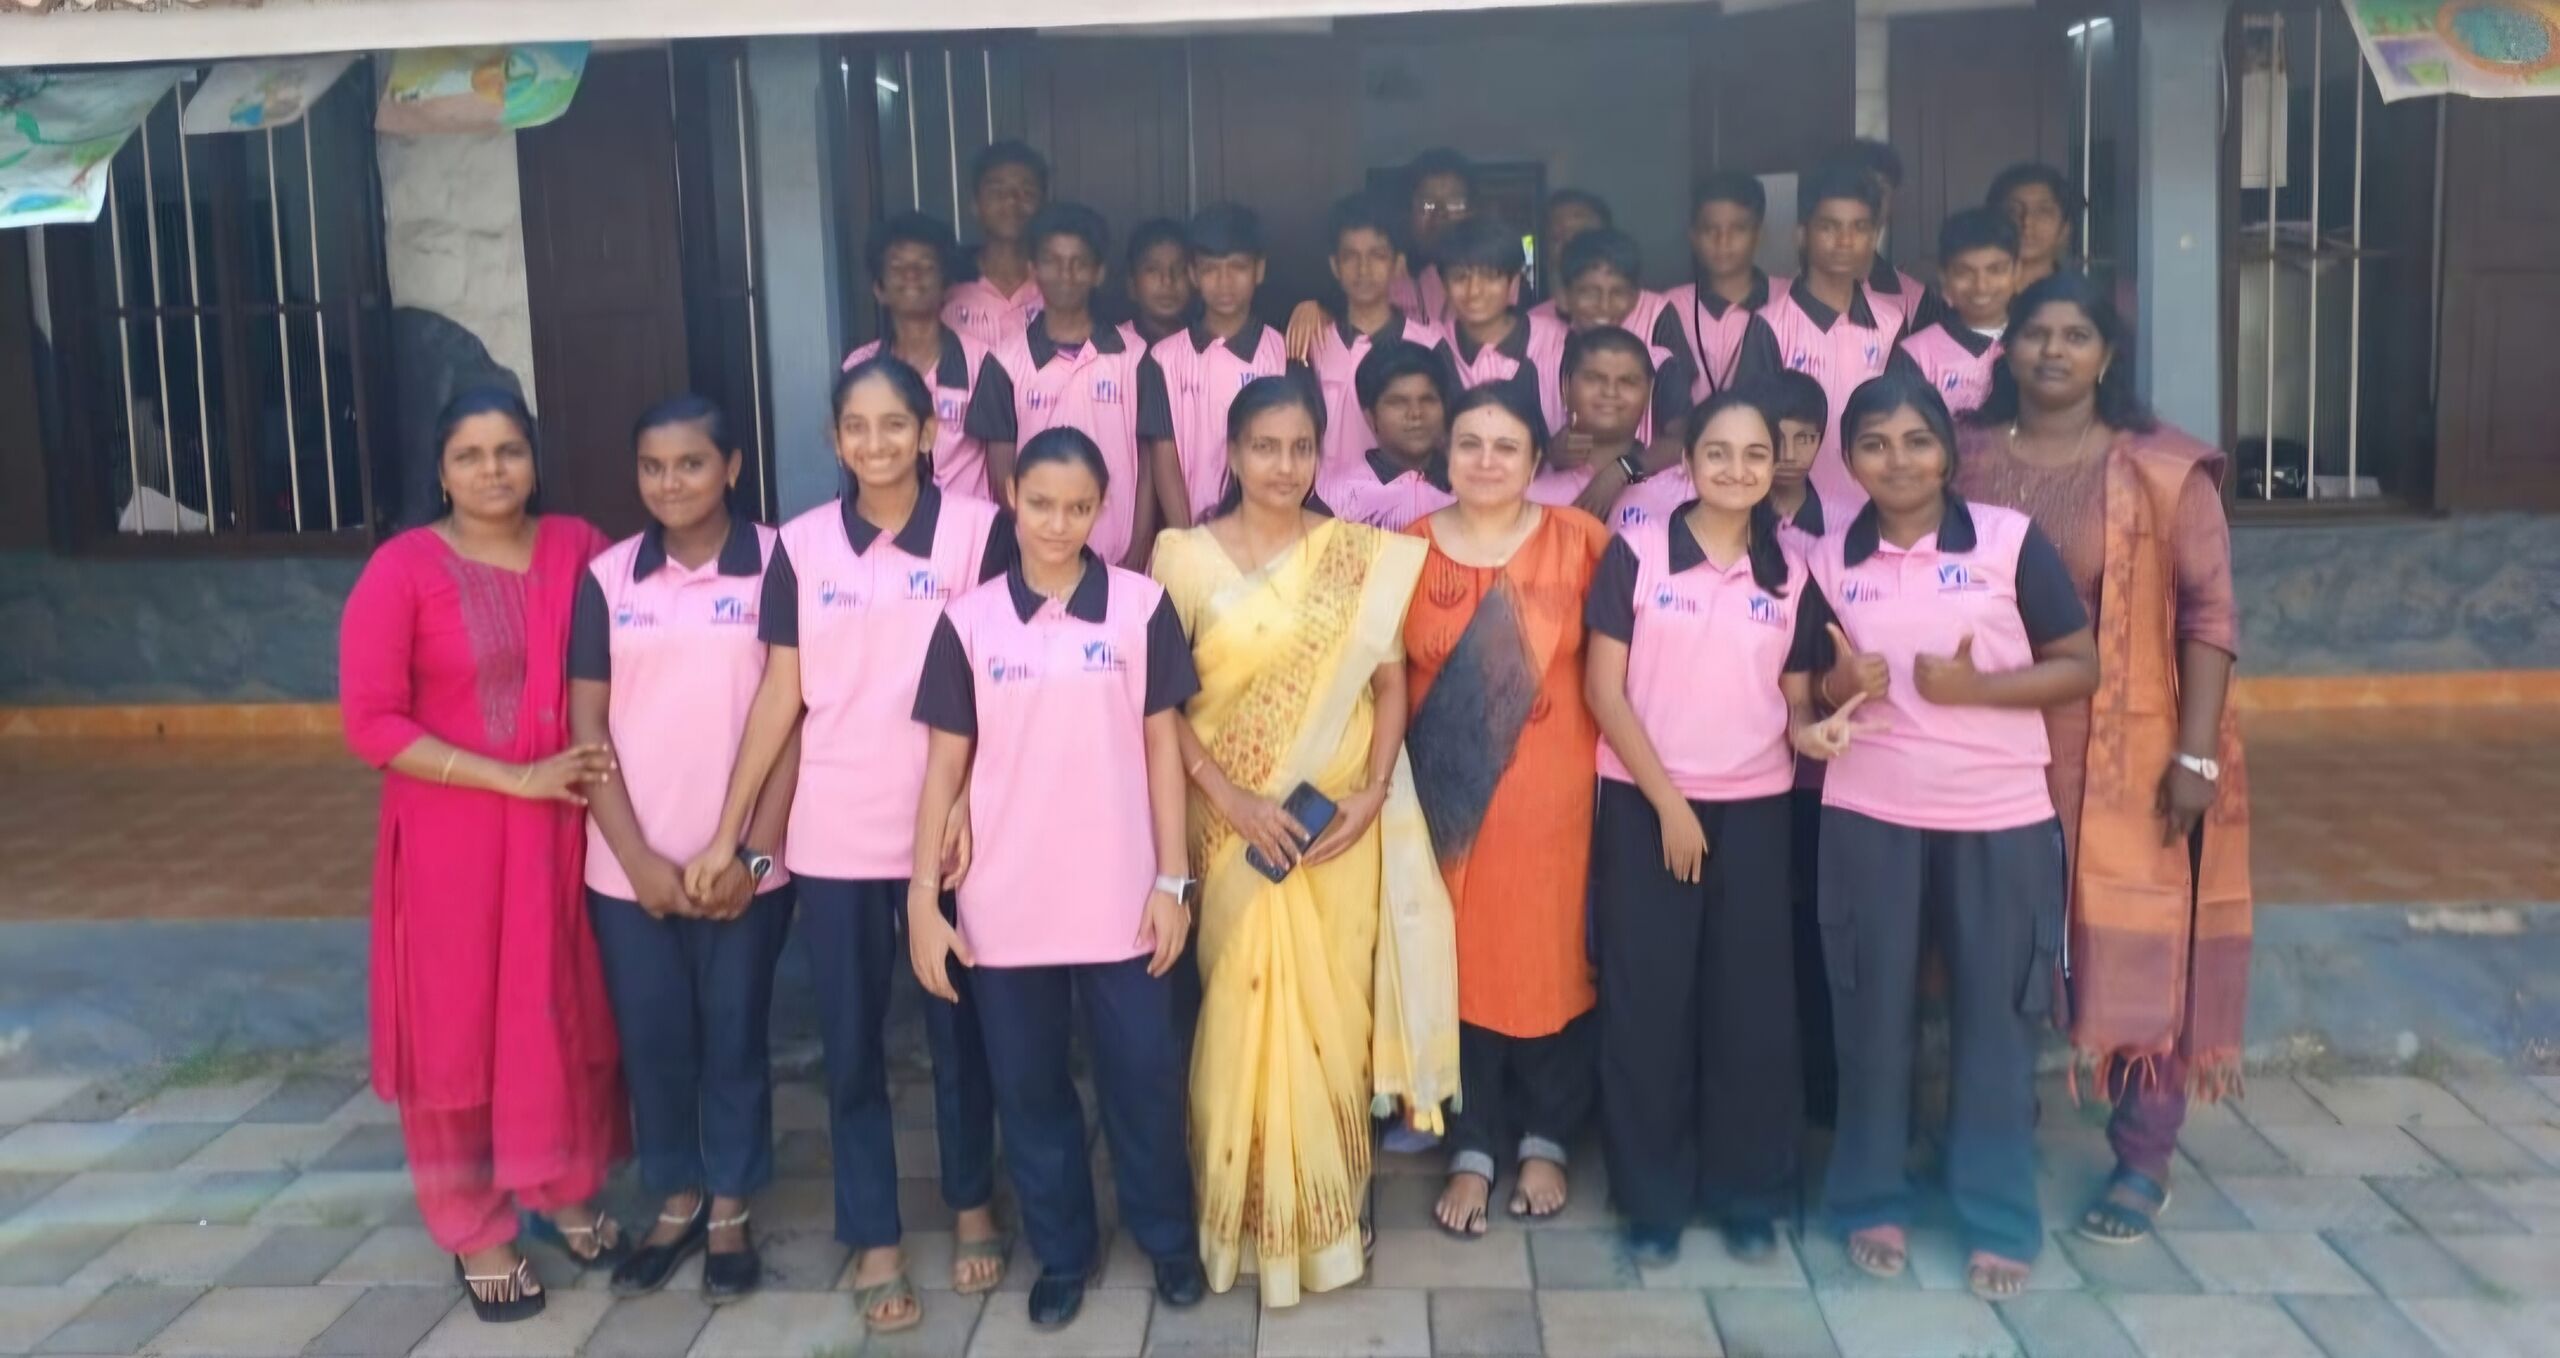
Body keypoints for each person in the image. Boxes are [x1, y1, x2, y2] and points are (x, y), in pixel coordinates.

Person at [679, 357, 1010, 1335]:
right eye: (855, 428)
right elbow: (781, 691)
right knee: (853, 1043)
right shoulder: (803, 545)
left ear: (928, 433)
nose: (876, 444)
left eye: (894, 425)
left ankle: (971, 1200)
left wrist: (969, 801)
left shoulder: (979, 532)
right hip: (833, 834)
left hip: (950, 832)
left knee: (960, 1033)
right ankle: (873, 1235)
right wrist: (730, 829)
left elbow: (1000, 675)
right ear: (834, 440)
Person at [1953, 271, 2249, 1249]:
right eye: (2035, 332)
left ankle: (2143, 1153)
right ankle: (1996, 1123)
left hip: (2127, 745)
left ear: (2106, 355)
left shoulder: (2160, 469)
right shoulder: (1962, 457)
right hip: (1991, 737)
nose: (2051, 350)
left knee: (2134, 935)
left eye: (2074, 335)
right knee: (1995, 939)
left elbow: (2209, 616)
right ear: (2006, 348)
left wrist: (2196, 757)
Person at [1153, 376, 1457, 1306]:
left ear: (1319, 453)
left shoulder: (1355, 557)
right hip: (1229, 824)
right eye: (1264, 447)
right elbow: (1162, 704)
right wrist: (1231, 798)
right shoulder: (1181, 556)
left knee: (1333, 1016)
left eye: (1299, 448)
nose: (1282, 466)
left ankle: (1330, 1211)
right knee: (1238, 1003)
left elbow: (1391, 683)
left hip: (1335, 825)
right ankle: (1236, 1211)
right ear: (1232, 454)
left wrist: (1372, 792)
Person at [1801, 372, 2096, 1299]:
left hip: (1997, 816)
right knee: (1871, 1021)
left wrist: (1978, 690)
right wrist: (1841, 685)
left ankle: (1998, 1217)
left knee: (1997, 1025)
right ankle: (1869, 1201)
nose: (1898, 461)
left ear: (1947, 452)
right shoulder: (1827, 559)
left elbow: (2079, 665)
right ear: (1850, 460)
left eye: (1916, 441)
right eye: (1875, 444)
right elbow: (1808, 686)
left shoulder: (2007, 541)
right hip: (1869, 814)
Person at [908, 427, 1210, 1330]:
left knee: (1144, 1076)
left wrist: (1174, 883)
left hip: (1124, 894)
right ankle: (1064, 1252)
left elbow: (1163, 750)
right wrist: (924, 898)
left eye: (1079, 506)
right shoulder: (969, 621)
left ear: (1102, 508)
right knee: (1030, 1085)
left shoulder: (1140, 607)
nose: (1057, 522)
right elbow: (944, 765)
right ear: (1011, 497)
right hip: (1005, 900)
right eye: (1040, 503)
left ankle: (1168, 1238)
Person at [337, 388, 626, 1323]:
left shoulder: (580, 548)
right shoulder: (402, 570)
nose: (492, 470)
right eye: (470, 455)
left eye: (509, 451)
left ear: (535, 461)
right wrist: (514, 778)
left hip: (561, 831)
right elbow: (372, 723)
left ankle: (560, 1187)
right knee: (457, 1027)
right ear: (440, 470)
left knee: (560, 1008)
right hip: (452, 841)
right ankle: (474, 1225)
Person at [1585, 390, 1854, 1268]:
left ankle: (1748, 1192)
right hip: (1646, 804)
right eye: (1718, 453)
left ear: (1775, 463)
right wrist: (1669, 804)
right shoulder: (1636, 553)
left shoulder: (1790, 573)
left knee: (1752, 1005)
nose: (1737, 469)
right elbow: (1602, 691)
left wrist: (1814, 734)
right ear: (1688, 462)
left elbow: (1793, 700)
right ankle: (1651, 1199)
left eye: (1754, 453)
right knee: (1649, 1000)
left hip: (1756, 808)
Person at [568, 397, 796, 1304]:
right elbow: (588, 727)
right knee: (654, 1039)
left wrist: (752, 860)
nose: (671, 483)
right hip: (629, 870)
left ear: (731, 467)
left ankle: (731, 1204)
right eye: (653, 467)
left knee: (735, 1035)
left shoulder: (780, 563)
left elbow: (796, 720)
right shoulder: (608, 579)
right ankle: (677, 1197)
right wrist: (637, 864)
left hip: (744, 868)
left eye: (692, 464)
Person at [1402, 382, 1613, 1236]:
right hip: (1446, 807)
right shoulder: (1405, 551)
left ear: (1534, 460)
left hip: (1556, 807)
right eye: (1469, 443)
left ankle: (1546, 1137)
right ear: (1445, 454)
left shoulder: (1583, 542)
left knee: (1552, 965)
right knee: (1457, 963)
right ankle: (1472, 1143)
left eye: (1505, 446)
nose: (1486, 461)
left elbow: (1627, 672)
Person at [974, 202, 1155, 565]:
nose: (1066, 274)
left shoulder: (1135, 356)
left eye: (1078, 263)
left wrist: (1138, 546)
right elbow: (1001, 473)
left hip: (1119, 558)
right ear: (1033, 269)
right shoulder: (1004, 362)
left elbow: (1148, 462)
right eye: (1053, 261)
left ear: (1098, 272)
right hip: (1037, 559)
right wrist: (1038, 544)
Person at [1738, 161, 1909, 519]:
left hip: (1872, 508)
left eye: (1859, 227)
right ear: (1802, 235)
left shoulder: (1891, 321)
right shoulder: (1771, 325)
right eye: (1829, 227)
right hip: (1791, 514)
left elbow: (1902, 415)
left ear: (1874, 236)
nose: (1845, 241)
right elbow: (1749, 424)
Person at [1762, 369, 1839, 1127]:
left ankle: (1821, 1086)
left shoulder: (1844, 525)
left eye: (1804, 438)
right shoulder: (1722, 519)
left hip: (1820, 769)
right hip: (1739, 765)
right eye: (1774, 438)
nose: (1788, 454)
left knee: (1817, 921)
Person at [1140, 203, 1292, 530]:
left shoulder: (1284, 352)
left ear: (1259, 270)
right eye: (1210, 269)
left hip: (1268, 533)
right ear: (1193, 275)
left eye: (1238, 267)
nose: (1225, 282)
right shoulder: (1163, 359)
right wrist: (1188, 540)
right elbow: (1165, 458)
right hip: (1193, 532)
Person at [843, 212, 1008, 500]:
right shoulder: (859, 367)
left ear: (946, 285)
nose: (912, 275)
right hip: (887, 522)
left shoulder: (982, 362)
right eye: (898, 267)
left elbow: (1003, 477)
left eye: (925, 266)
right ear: (879, 290)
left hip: (967, 524)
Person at [1539, 231, 1697, 512]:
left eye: (1618, 293)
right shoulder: (1538, 361)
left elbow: (1687, 440)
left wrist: (1623, 469)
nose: (1604, 305)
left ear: (1635, 298)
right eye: (1589, 292)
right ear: (1563, 297)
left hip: (1644, 505)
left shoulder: (1658, 362)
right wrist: (1550, 454)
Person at [1310, 192, 1448, 479]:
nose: (1363, 269)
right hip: (1328, 502)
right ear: (1335, 266)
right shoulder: (1313, 345)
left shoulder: (1430, 343)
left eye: (1377, 256)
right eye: (1351, 257)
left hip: (1411, 503)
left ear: (1398, 265)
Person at [1434, 215, 1567, 430]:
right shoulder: (1430, 344)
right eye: (1460, 278)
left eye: (1490, 277)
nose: (1474, 292)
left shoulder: (1557, 342)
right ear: (1444, 285)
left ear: (1514, 282)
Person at [1662, 172, 1782, 404]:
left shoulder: (1788, 299)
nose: (1723, 241)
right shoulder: (1670, 307)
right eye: (1710, 230)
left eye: (1737, 229)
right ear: (1693, 237)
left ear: (1759, 235)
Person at [1889, 208, 2020, 416]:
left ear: (2017, 272)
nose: (1981, 286)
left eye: (1995, 270)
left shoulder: (2039, 341)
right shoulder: (1917, 355)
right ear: (1944, 277)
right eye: (1964, 272)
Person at [1319, 339, 1456, 531]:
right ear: (1370, 417)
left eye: (1427, 399)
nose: (1416, 413)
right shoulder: (1335, 498)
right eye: (1398, 402)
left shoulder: (1469, 488)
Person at [1531, 325, 1670, 514]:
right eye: (1594, 378)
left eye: (1627, 381)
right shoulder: (1525, 496)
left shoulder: (1678, 495)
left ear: (1649, 391)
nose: (1610, 392)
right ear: (1565, 386)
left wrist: (1624, 469)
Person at [942, 140, 1050, 347]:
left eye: (1026, 192)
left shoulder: (1063, 280)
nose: (1011, 201)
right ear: (975, 204)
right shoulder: (945, 281)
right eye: (997, 192)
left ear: (1043, 205)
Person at [1831, 139, 1939, 328]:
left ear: (1895, 199)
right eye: (1856, 189)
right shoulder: (1796, 292)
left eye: (1879, 189)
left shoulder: (1915, 299)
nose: (1868, 200)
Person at [1986, 162, 2081, 290]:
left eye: (2043, 211)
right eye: (2013, 211)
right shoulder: (1973, 293)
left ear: (2065, 229)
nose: (2027, 222)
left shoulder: (2078, 297)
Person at [1122, 218, 1195, 349]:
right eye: (1153, 270)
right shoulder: (1113, 349)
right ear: (1131, 284)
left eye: (1179, 269)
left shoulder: (1206, 348)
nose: (1167, 281)